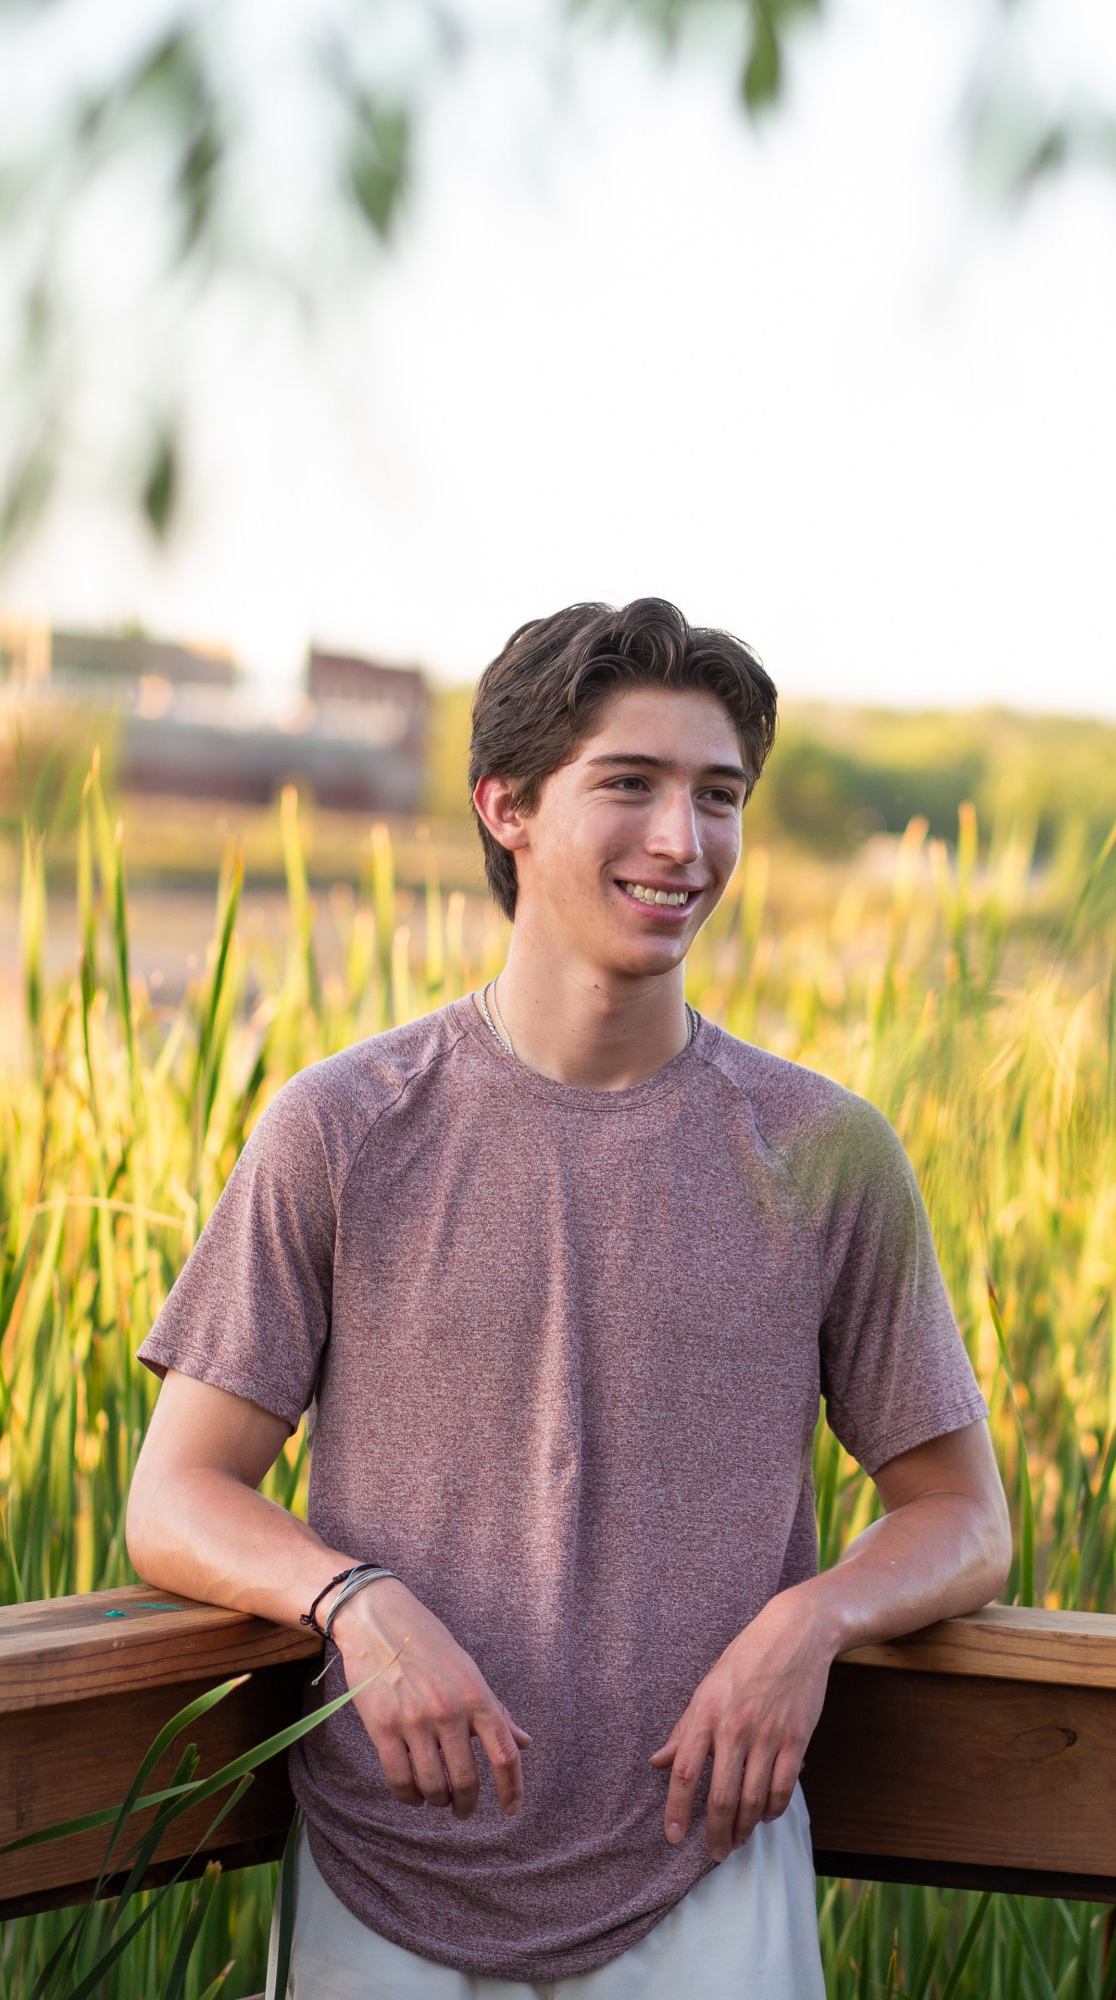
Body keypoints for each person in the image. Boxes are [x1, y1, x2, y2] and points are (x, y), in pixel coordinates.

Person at [125, 599, 1012, 1998]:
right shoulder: (343, 1127)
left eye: (718, 796)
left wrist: (814, 1620)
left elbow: (964, 1517)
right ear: (508, 807)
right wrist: (350, 1599)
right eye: (631, 784)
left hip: (706, 1867)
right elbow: (175, 1496)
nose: (683, 840)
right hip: (381, 1869)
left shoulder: (826, 1152)